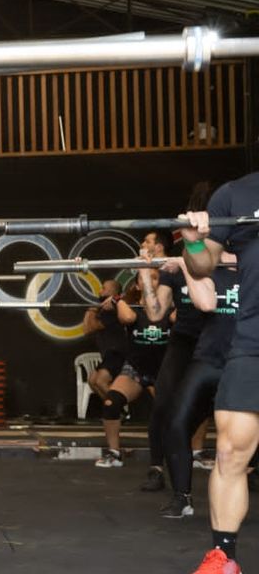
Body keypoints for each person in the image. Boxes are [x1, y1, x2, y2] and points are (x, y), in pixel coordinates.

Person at [179, 173, 259, 574]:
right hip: (253, 341)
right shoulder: (235, 195)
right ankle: (224, 559)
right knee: (229, 450)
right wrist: (194, 241)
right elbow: (203, 263)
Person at [160, 252, 238, 519]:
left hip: (244, 363)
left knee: (239, 438)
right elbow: (205, 303)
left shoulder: (253, 271)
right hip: (208, 360)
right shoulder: (208, 271)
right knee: (176, 424)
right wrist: (185, 264)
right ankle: (182, 497)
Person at [144, 191, 212, 492]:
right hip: (184, 340)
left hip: (217, 339)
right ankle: (157, 469)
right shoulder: (173, 269)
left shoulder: (221, 258)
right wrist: (145, 274)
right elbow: (155, 314)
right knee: (163, 405)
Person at [95, 250, 172, 469]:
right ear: (138, 284)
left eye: (156, 278)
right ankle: (114, 453)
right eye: (147, 278)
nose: (152, 282)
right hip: (136, 369)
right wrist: (117, 299)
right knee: (111, 403)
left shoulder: (171, 309)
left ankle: (184, 453)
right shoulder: (130, 308)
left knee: (171, 411)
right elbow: (127, 318)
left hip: (163, 369)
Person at [83, 279, 128, 399]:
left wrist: (92, 310)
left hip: (117, 353)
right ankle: (112, 407)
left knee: (100, 381)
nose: (100, 291)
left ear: (113, 292)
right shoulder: (102, 309)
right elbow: (86, 330)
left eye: (103, 288)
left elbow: (92, 327)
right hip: (108, 354)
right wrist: (90, 310)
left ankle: (117, 406)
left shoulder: (112, 309)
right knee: (92, 381)